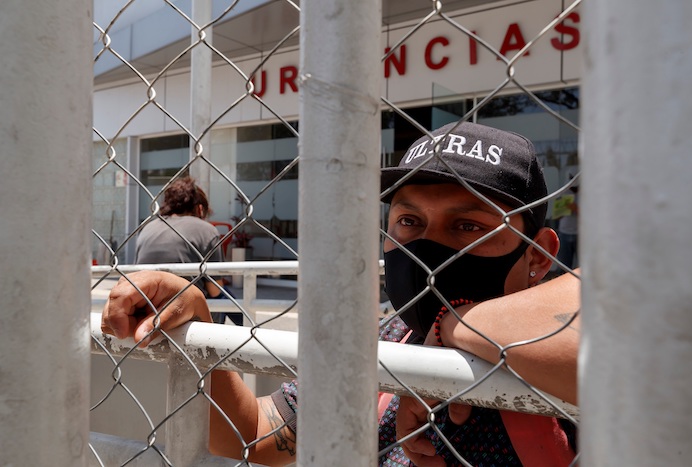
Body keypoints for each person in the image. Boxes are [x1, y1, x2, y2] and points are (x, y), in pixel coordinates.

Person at [102, 122, 580, 466]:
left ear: (538, 255)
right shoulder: (391, 333)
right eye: (409, 222)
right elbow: (255, 434)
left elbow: (631, 328)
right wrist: (198, 322)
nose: (429, 245)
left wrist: (451, 323)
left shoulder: (563, 346)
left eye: (468, 226)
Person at [135, 176, 239, 324]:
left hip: (146, 310)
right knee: (224, 298)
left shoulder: (148, 228)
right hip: (188, 315)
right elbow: (216, 291)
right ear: (200, 209)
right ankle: (245, 329)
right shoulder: (207, 230)